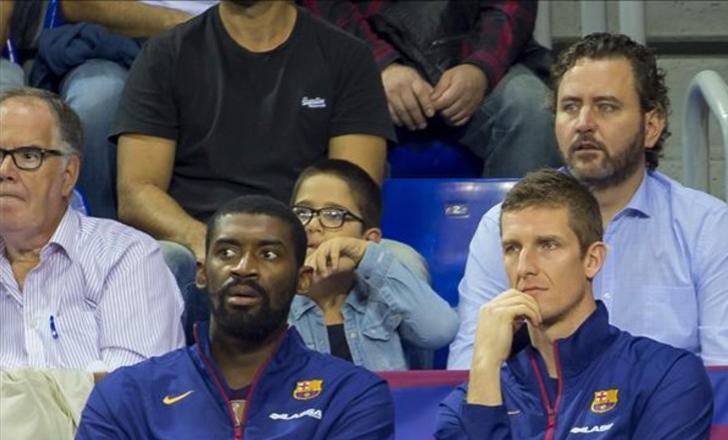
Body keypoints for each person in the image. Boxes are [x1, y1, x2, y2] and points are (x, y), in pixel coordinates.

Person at [448, 33, 728, 386]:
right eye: (569, 107)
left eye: (606, 106)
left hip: (669, 434)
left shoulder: (705, 226)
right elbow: (469, 375)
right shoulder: (504, 227)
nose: (583, 122)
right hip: (544, 434)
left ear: (651, 126)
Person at [64, 195, 395, 440]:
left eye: (269, 254)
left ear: (302, 279)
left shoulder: (352, 395)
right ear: (202, 273)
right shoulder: (126, 394)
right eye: (226, 252)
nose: (244, 268)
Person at [436, 169, 713, 440]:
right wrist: (483, 369)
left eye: (548, 245)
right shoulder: (467, 404)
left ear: (592, 260)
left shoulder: (665, 377)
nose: (525, 267)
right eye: (512, 248)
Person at [112, 0, 394, 266]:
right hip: (200, 247)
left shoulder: (347, 57)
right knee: (163, 259)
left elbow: (355, 191)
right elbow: (138, 191)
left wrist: (294, 254)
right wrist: (211, 243)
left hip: (307, 246)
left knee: (401, 263)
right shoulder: (165, 54)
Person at [0, 87, 183, 370]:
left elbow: (131, 396)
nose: (5, 171)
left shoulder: (126, 257)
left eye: (27, 156)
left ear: (68, 175)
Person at [301, 0, 559, 177]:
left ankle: (522, 243)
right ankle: (350, 247)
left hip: (469, 51)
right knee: (310, 110)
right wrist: (379, 66)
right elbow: (326, 8)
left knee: (531, 108)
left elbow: (509, 8)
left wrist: (480, 68)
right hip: (366, 62)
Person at [36, 1, 214, 220]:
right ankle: (100, 241)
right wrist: (186, 25)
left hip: (230, 45)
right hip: (123, 43)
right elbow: (77, 5)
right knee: (96, 102)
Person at [288, 159, 458, 370]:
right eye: (302, 213)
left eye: (334, 215)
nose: (312, 225)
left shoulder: (385, 295)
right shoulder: (277, 299)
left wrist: (366, 255)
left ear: (370, 239)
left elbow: (440, 330)